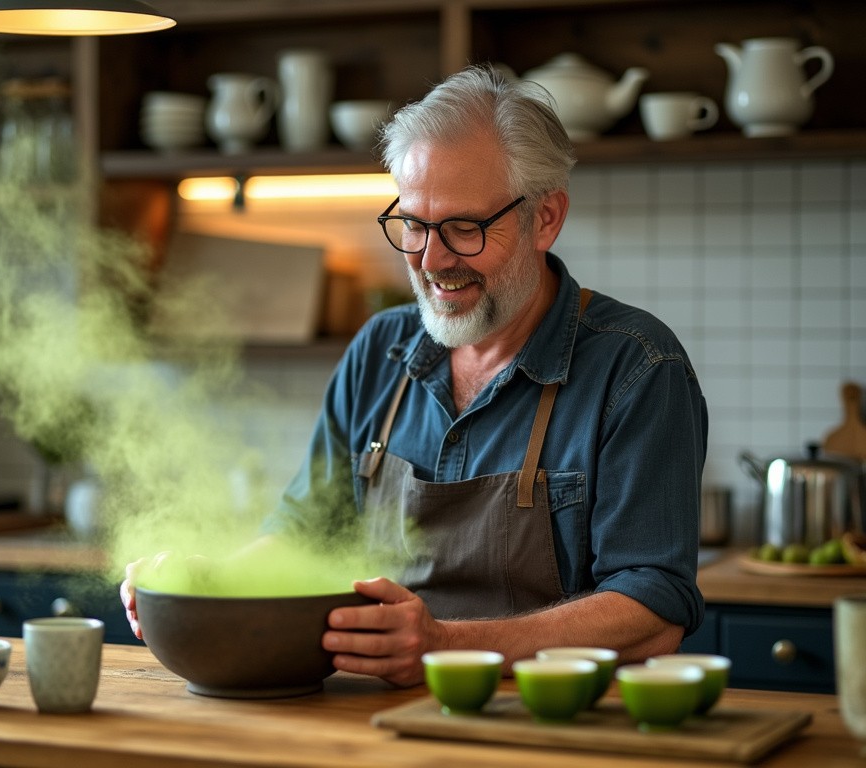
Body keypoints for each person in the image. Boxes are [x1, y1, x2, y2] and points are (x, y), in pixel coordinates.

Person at [122, 64, 707, 688]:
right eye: (414, 225)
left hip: (550, 726)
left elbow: (652, 610)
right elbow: (303, 532)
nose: (432, 260)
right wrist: (210, 581)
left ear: (546, 218)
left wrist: (446, 645)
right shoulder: (381, 350)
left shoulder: (637, 368)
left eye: (464, 227)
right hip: (371, 719)